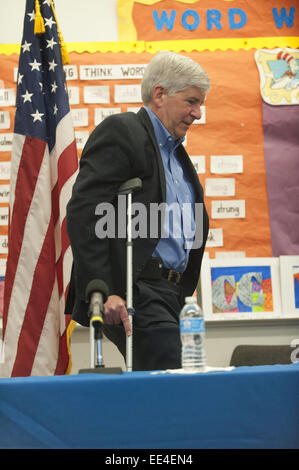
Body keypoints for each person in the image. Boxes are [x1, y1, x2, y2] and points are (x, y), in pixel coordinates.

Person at [65, 51, 210, 371]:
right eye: (191, 102)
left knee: (175, 385)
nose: (198, 113)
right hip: (135, 291)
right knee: (174, 385)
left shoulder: (176, 154)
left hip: (171, 296)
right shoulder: (123, 131)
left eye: (200, 103)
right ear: (159, 94)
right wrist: (103, 290)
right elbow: (85, 213)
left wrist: (183, 289)